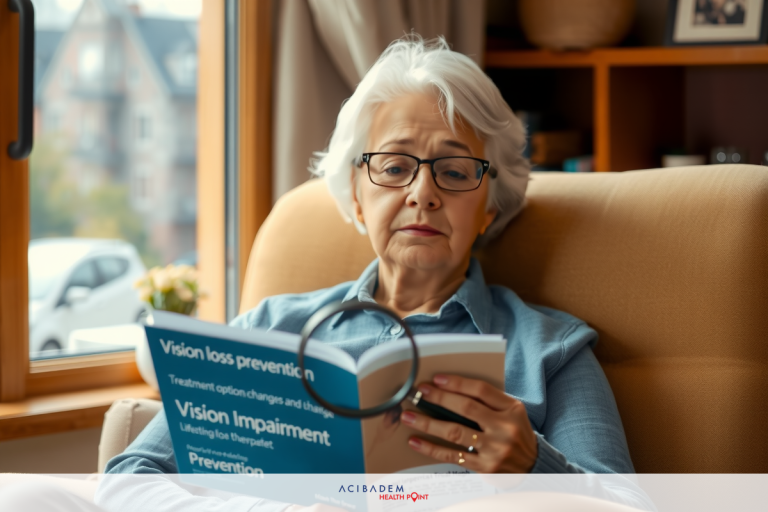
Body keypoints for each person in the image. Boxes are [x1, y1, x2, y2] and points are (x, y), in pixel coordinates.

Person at [94, 37, 655, 511]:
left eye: (456, 171)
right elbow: (129, 477)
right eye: (394, 166)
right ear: (357, 197)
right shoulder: (270, 327)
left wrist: (535, 466)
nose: (423, 194)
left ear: (489, 207)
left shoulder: (550, 350)